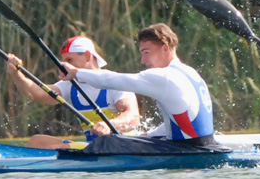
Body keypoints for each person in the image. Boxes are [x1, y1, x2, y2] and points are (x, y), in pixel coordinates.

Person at [59, 22, 215, 145]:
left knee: (108, 143)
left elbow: (116, 80)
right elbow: (179, 122)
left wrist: (76, 73)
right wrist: (149, 135)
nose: (143, 61)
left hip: (186, 151)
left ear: (165, 48)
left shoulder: (165, 76)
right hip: (203, 144)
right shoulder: (190, 73)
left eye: (146, 52)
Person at [4, 35, 140, 150]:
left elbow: (133, 117)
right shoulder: (70, 85)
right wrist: (17, 74)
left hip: (122, 145)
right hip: (93, 147)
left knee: (58, 148)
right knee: (37, 141)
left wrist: (110, 125)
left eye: (70, 60)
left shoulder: (113, 81)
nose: (64, 65)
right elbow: (35, 94)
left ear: (87, 56)